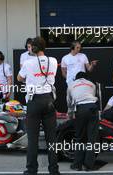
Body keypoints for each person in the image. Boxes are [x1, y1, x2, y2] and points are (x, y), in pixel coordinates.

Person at [18, 37, 60, 175]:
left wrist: (31, 77)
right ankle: (54, 170)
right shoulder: (53, 61)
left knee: (33, 139)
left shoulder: (28, 63)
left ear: (33, 48)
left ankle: (31, 169)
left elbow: (19, 78)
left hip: (34, 101)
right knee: (51, 138)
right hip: (49, 100)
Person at [67, 72, 99, 171]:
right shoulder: (92, 84)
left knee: (80, 138)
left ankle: (77, 165)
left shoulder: (71, 85)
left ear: (76, 78)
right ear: (86, 78)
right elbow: (91, 96)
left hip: (80, 109)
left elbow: (69, 102)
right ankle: (88, 165)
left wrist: (70, 114)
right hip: (93, 108)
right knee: (91, 139)